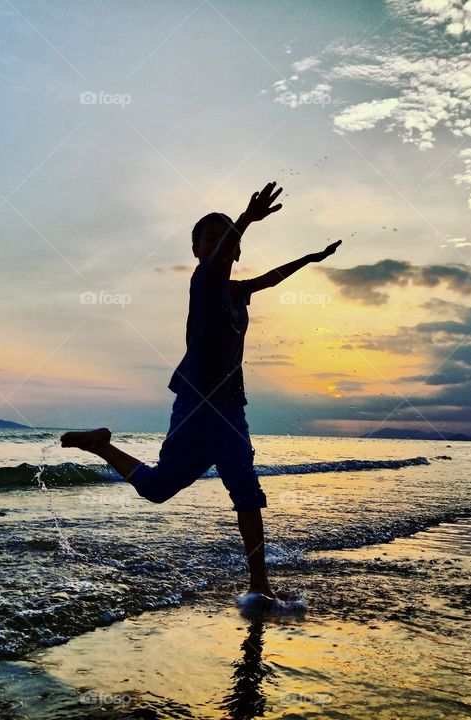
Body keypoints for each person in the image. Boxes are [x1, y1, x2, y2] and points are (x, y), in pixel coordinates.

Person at [61, 181, 341, 600]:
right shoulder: (203, 281)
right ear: (198, 251)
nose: (220, 243)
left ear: (238, 250)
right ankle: (100, 446)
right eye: (210, 238)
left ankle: (260, 585)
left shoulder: (236, 290)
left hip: (230, 408)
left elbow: (270, 278)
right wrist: (244, 219)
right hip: (195, 405)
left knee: (248, 495)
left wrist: (311, 258)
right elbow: (224, 253)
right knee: (158, 490)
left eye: (225, 237)